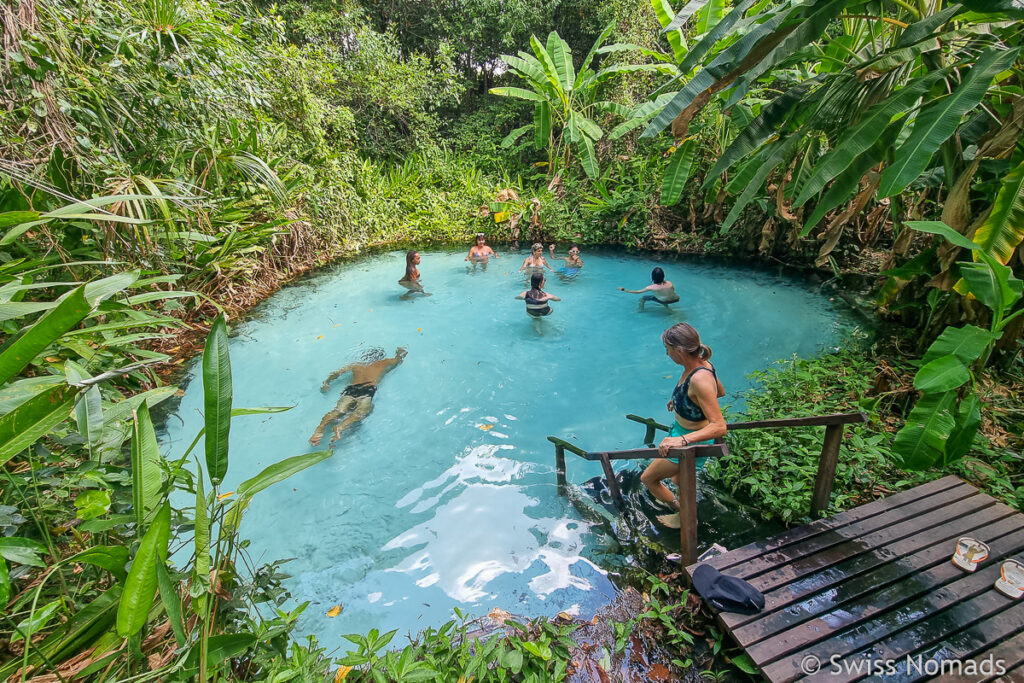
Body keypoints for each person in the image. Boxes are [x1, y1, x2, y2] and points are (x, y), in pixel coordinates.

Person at [641, 323, 726, 511]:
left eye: (668, 349)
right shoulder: (703, 364)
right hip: (682, 431)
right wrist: (682, 402)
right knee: (678, 478)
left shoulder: (699, 379)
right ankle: (689, 507)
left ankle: (681, 512)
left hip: (691, 439)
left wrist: (682, 440)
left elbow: (720, 426)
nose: (667, 354)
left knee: (648, 479)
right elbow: (720, 391)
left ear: (679, 350)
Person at [310, 347, 407, 446]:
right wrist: (400, 352)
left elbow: (336, 373)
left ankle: (320, 428)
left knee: (338, 411)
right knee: (362, 412)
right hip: (367, 391)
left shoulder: (356, 365)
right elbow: (398, 360)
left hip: (350, 390)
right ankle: (341, 427)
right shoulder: (383, 363)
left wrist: (327, 382)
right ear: (379, 357)